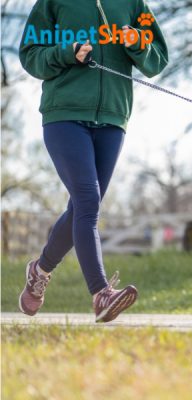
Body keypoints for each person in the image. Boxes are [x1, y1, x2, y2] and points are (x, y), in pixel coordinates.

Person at [18, 0, 168, 322]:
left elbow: (157, 59)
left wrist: (136, 43)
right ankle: (101, 294)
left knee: (80, 208)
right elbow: (30, 55)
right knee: (88, 201)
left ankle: (40, 270)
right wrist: (66, 52)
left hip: (113, 118)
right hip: (65, 116)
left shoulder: (132, 4)